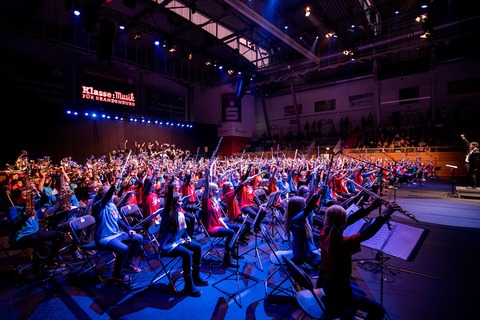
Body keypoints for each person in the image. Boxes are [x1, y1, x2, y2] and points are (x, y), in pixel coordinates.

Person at [317, 201, 401, 320]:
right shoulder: (343, 243)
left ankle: (347, 313)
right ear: (343, 222)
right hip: (340, 291)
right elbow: (368, 233)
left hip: (329, 284)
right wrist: (385, 213)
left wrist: (370, 208)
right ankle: (343, 310)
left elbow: (347, 220)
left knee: (361, 293)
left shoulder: (323, 232)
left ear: (327, 220)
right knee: (379, 310)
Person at [157, 176, 209, 297]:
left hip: (178, 240)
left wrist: (187, 236)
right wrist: (170, 186)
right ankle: (188, 286)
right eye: (179, 201)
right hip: (168, 245)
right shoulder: (167, 214)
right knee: (187, 254)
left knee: (197, 247)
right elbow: (169, 199)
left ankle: (196, 276)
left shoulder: (179, 213)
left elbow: (183, 229)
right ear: (173, 203)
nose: (181, 203)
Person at [7, 176, 66, 278]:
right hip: (21, 237)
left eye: (29, 195)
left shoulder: (32, 206)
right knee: (42, 242)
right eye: (26, 195)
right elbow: (15, 224)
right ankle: (36, 270)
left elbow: (45, 202)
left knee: (60, 235)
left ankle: (50, 260)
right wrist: (25, 216)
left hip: (35, 233)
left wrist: (58, 203)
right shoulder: (14, 209)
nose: (29, 198)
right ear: (17, 198)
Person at [92, 181, 143, 283]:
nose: (114, 195)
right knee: (124, 249)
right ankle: (117, 275)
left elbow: (119, 220)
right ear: (105, 196)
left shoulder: (112, 205)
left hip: (117, 234)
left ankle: (126, 264)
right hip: (104, 237)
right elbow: (106, 198)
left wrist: (129, 230)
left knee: (139, 238)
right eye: (112, 194)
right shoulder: (98, 206)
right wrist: (115, 183)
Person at [201, 167, 241, 268]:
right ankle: (227, 257)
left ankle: (232, 251)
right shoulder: (207, 202)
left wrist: (226, 226)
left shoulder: (215, 201)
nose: (217, 191)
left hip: (217, 224)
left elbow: (219, 218)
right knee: (231, 232)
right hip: (211, 228)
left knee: (236, 228)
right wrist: (206, 176)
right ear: (210, 191)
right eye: (215, 190)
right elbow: (205, 191)